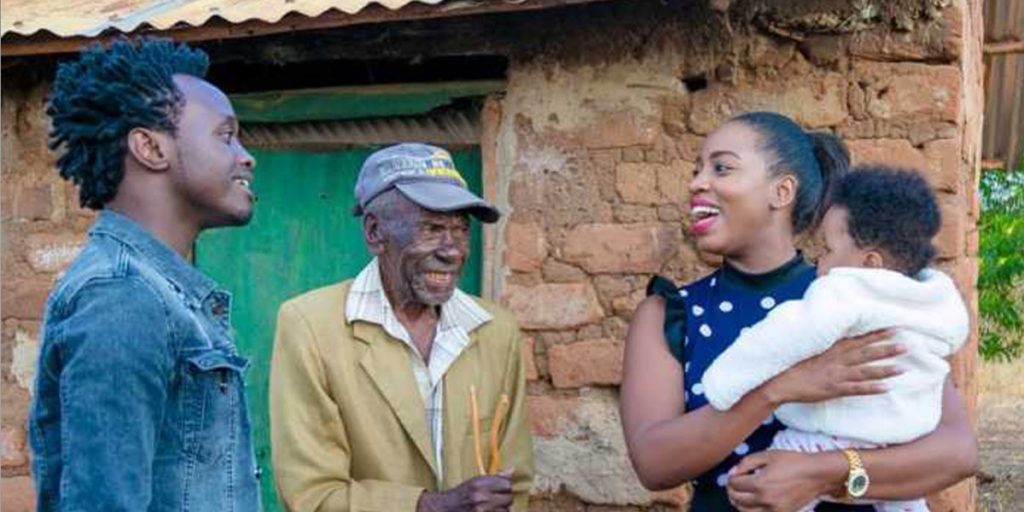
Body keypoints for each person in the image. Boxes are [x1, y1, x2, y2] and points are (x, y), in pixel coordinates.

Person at [620, 112, 978, 512]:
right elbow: (654, 463)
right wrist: (777, 389)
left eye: (721, 168)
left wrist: (825, 472)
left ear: (782, 191)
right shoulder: (670, 315)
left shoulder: (857, 296)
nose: (697, 183)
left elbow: (957, 451)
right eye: (697, 170)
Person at [30, 39, 260, 511]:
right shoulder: (122, 298)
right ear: (151, 147)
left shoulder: (163, 294)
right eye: (225, 135)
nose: (246, 156)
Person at [269, 143, 533, 512]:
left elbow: (515, 485)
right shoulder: (310, 326)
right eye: (432, 228)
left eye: (460, 230)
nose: (453, 250)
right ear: (375, 232)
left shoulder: (495, 331)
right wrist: (431, 507)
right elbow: (310, 495)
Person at [702, 166, 970, 511]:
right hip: (903, 453)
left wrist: (723, 381)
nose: (819, 264)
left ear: (870, 262)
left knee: (765, 480)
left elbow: (784, 336)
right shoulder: (936, 298)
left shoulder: (844, 290)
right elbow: (952, 338)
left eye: (827, 250)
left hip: (827, 443)